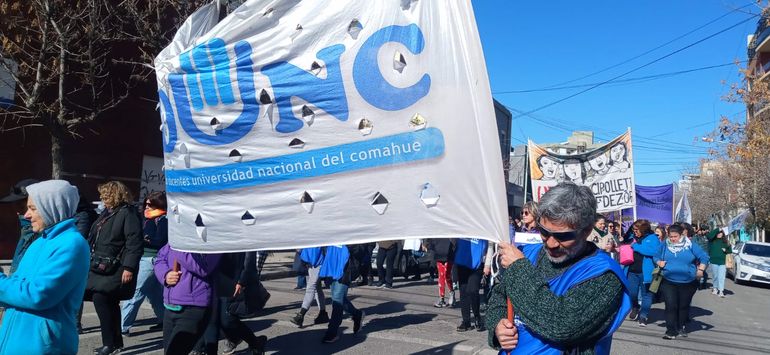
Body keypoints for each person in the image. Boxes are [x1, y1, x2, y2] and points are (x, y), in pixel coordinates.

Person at [488, 182, 631, 354]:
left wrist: (518, 269)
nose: (551, 243)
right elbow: (499, 296)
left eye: (564, 236)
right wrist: (498, 324)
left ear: (586, 230)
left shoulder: (604, 275)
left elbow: (562, 325)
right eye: (544, 232)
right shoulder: (528, 253)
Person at [0, 180, 90, 354]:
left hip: (41, 347)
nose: (26, 215)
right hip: (16, 340)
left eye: (33, 208)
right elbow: (18, 284)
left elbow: (38, 295)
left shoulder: (72, 244)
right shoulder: (39, 241)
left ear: (52, 207)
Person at [85, 181, 144, 355]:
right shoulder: (107, 213)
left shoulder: (128, 213)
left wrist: (129, 267)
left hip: (116, 267)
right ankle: (115, 343)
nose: (102, 199)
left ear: (115, 195)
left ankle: (109, 344)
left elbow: (134, 243)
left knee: (101, 299)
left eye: (105, 195)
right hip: (100, 265)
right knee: (109, 303)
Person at [154, 244, 221, 354]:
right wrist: (165, 275)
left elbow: (203, 268)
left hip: (194, 307)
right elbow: (160, 258)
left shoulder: (213, 239)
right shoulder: (176, 238)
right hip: (170, 306)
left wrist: (179, 248)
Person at [197, 252, 267, 355]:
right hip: (214, 276)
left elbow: (249, 256)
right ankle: (203, 349)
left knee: (227, 320)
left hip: (233, 279)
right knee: (212, 318)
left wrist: (242, 280)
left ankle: (254, 342)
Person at [120, 191, 168, 335]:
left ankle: (121, 327)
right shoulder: (146, 218)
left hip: (151, 260)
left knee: (135, 292)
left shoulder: (163, 220)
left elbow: (161, 241)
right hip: (145, 258)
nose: (147, 206)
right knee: (154, 295)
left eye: (151, 204)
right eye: (146, 203)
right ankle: (165, 321)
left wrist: (144, 240)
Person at [654, 224, 709, 339]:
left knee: (683, 306)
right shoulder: (665, 244)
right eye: (671, 237)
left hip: (688, 282)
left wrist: (701, 270)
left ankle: (680, 326)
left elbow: (704, 257)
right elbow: (656, 255)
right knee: (670, 305)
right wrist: (659, 262)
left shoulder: (690, 245)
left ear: (682, 235)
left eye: (675, 236)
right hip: (668, 281)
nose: (673, 239)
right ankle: (670, 330)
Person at [319, 245, 365, 343]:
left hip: (345, 270)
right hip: (331, 267)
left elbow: (361, 249)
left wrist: (349, 244)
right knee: (340, 300)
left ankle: (332, 332)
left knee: (337, 301)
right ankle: (357, 314)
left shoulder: (353, 232)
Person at [0, 178, 41, 274]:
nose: (18, 213)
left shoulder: (43, 236)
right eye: (15, 206)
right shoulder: (26, 230)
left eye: (21, 207)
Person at [625, 219, 661, 327]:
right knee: (632, 293)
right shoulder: (632, 238)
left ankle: (643, 315)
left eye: (636, 229)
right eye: (633, 229)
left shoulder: (653, 238)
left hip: (646, 272)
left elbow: (654, 252)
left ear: (643, 229)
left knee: (646, 295)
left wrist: (636, 247)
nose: (634, 231)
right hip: (632, 270)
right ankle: (635, 307)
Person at [290, 247, 330, 327]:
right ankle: (323, 313)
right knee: (317, 288)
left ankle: (301, 314)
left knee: (311, 287)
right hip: (313, 260)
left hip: (318, 261)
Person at [454, 237, 488, 332]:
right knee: (463, 292)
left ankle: (477, 317)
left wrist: (487, 264)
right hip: (462, 263)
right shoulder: (463, 227)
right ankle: (466, 322)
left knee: (473, 290)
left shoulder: (481, 228)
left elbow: (489, 246)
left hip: (476, 266)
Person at [429, 238, 456, 308]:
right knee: (441, 276)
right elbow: (432, 243)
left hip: (449, 255)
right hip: (439, 255)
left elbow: (455, 242)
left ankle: (452, 293)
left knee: (447, 275)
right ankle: (441, 298)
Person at [707, 229, 731, 297]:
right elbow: (709, 236)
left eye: (721, 233)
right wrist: (717, 229)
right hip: (714, 261)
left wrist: (726, 250)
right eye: (718, 233)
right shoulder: (712, 241)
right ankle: (715, 288)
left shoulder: (726, 242)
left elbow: (730, 251)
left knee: (721, 277)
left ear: (723, 234)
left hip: (722, 262)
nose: (719, 234)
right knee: (715, 276)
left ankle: (721, 291)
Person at [692, 224, 710, 289]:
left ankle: (702, 283)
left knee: (703, 271)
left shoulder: (707, 237)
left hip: (706, 256)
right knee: (698, 270)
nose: (701, 232)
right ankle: (699, 284)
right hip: (697, 257)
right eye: (700, 230)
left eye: (702, 230)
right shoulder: (695, 237)